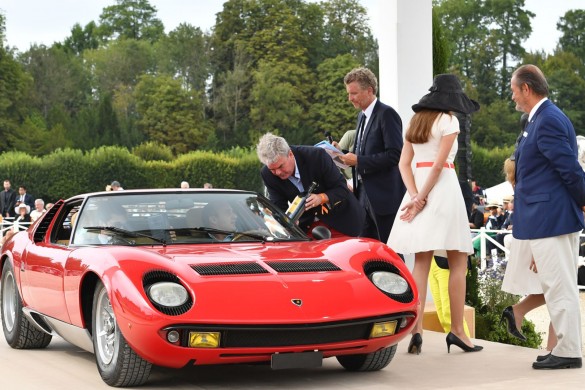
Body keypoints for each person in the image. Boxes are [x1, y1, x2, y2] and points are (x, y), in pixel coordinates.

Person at [386, 74, 482, 354]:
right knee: (458, 262)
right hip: (443, 190)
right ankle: (457, 331)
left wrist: (415, 195)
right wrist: (422, 197)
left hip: (417, 186)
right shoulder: (449, 121)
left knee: (421, 262)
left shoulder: (415, 122)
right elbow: (439, 166)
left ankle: (415, 331)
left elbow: (404, 164)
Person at [507, 64, 583, 370]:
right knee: (557, 285)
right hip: (547, 215)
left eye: (514, 90)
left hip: (552, 216)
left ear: (526, 88)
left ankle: (567, 351)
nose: (512, 96)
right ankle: (567, 347)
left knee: (559, 285)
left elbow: (569, 169)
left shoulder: (547, 119)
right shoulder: (539, 118)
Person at [338, 67, 405, 243]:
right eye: (349, 93)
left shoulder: (387, 114)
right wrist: (341, 153)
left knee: (390, 251)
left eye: (354, 93)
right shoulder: (362, 116)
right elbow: (365, 153)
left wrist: (358, 160)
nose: (350, 98)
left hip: (383, 197)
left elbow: (395, 155)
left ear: (369, 91)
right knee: (366, 249)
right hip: (363, 196)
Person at [257, 132, 365, 237]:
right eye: (273, 169)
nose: (278, 173)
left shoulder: (317, 156)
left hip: (343, 222)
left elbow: (342, 188)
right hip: (307, 228)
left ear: (290, 154)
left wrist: (321, 197)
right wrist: (288, 220)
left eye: (281, 166)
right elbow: (278, 206)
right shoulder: (267, 174)